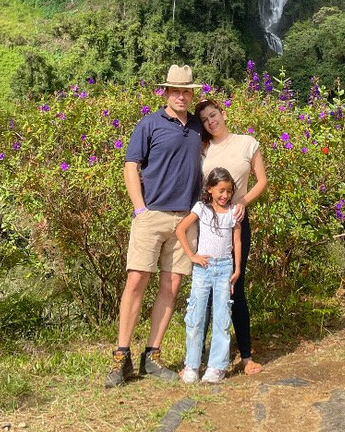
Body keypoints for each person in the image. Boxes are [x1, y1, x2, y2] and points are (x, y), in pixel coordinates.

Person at [104, 64, 204, 388]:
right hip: (152, 216)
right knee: (136, 281)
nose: (181, 95)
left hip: (186, 219)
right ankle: (122, 356)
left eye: (186, 90)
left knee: (172, 286)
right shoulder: (149, 124)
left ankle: (152, 355)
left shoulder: (199, 128)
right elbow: (131, 165)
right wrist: (139, 209)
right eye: (175, 90)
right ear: (165, 92)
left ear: (192, 94)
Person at [195, 98, 269, 374]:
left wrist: (243, 203)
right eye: (204, 119)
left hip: (236, 223)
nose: (211, 121)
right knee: (204, 289)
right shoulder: (202, 149)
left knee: (235, 285)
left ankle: (246, 355)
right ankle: (199, 358)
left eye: (213, 115)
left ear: (223, 114)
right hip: (206, 227)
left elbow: (261, 180)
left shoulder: (247, 143)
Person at [175, 167, 242, 384]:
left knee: (222, 317)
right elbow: (180, 229)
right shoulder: (201, 209)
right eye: (221, 190)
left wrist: (237, 269)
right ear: (210, 189)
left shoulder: (233, 213)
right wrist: (192, 255)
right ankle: (192, 365)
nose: (225, 195)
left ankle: (216, 366)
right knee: (196, 316)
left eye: (229, 191)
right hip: (203, 269)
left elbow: (237, 242)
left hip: (225, 268)